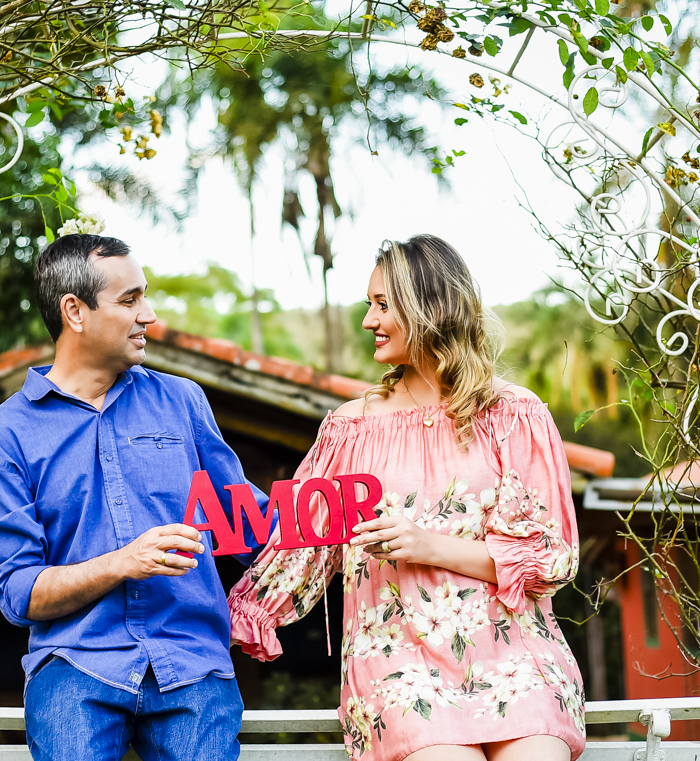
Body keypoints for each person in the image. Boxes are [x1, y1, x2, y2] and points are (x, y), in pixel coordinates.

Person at [227, 235, 585, 761]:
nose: (368, 321)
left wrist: (426, 545)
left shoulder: (515, 415)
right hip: (397, 662)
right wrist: (224, 618)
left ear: (429, 308)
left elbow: (550, 560)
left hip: (516, 656)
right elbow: (298, 551)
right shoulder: (350, 430)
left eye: (382, 305)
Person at [0, 231, 268, 761]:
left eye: (144, 296)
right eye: (129, 300)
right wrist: (123, 563)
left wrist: (343, 505)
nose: (147, 314)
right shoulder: (3, 437)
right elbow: (18, 594)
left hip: (192, 662)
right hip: (77, 668)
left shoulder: (183, 402)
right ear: (74, 311)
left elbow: (248, 525)